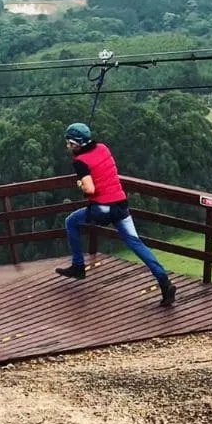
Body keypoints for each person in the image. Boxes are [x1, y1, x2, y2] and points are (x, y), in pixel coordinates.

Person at [55, 122, 177, 307]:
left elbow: (89, 189)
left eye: (70, 144)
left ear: (78, 143)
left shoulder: (80, 162)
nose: (68, 147)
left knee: (71, 222)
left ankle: (78, 266)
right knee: (136, 243)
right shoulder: (103, 148)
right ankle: (164, 281)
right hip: (121, 205)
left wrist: (79, 183)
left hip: (103, 208)